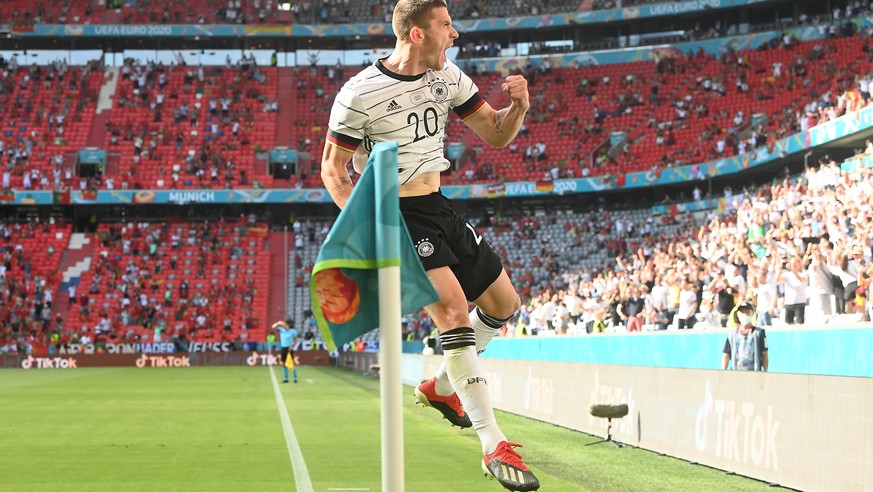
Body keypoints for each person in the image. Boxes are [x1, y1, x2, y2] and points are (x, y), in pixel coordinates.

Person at [320, 1, 538, 489]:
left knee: (505, 304)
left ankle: (441, 388)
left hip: (438, 206)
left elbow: (497, 134)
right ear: (417, 34)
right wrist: (371, 228)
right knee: (454, 314)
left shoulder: (448, 78)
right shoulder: (359, 93)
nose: (454, 33)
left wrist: (518, 106)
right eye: (445, 25)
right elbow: (333, 170)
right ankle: (492, 444)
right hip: (395, 213)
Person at [721, 301, 769, 372]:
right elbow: (726, 355)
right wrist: (724, 370)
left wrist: (765, 371)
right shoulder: (732, 334)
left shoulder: (759, 333)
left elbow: (765, 354)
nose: (745, 315)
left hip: (754, 372)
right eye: (742, 312)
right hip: (736, 371)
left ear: (752, 313)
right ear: (738, 315)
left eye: (747, 312)